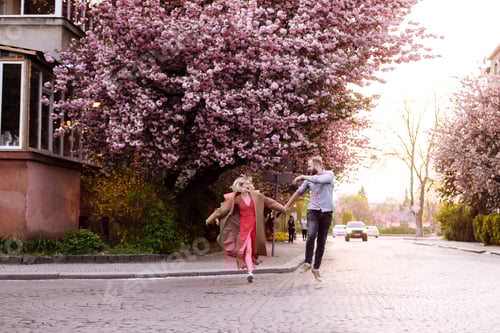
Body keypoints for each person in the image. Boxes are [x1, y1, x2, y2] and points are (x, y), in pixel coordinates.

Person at [206, 175, 288, 283]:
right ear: (240, 186)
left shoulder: (257, 196)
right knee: (247, 250)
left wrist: (283, 208)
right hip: (244, 228)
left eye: (249, 184)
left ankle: (250, 272)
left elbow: (271, 203)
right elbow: (222, 210)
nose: (249, 186)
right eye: (246, 184)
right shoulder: (236, 199)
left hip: (255, 227)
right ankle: (250, 272)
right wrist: (211, 219)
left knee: (250, 250)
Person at [285, 156, 334, 282]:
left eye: (309, 165)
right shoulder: (309, 179)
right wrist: (287, 205)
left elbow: (321, 180)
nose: (308, 168)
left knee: (322, 241)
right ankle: (307, 262)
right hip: (313, 211)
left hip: (327, 213)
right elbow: (299, 192)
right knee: (311, 235)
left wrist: (302, 177)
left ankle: (316, 268)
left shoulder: (329, 174)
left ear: (317, 165)